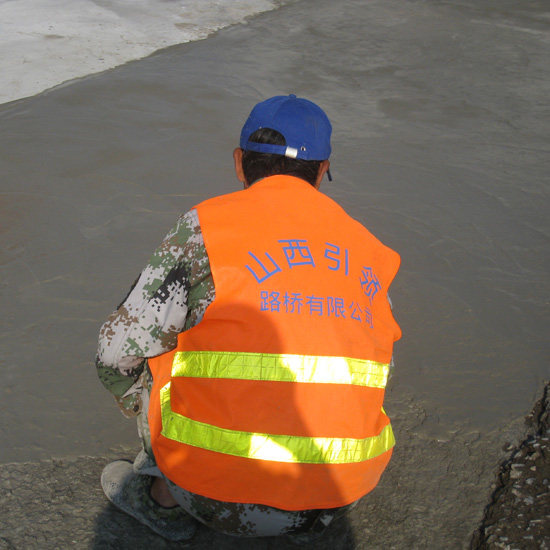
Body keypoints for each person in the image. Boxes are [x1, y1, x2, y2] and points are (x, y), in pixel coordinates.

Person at [96, 94, 401, 542]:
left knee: (157, 355)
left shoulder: (205, 228)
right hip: (337, 495)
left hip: (212, 497)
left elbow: (114, 353)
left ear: (240, 163)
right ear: (322, 170)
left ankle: (164, 499)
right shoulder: (371, 249)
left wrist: (140, 405)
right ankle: (302, 516)